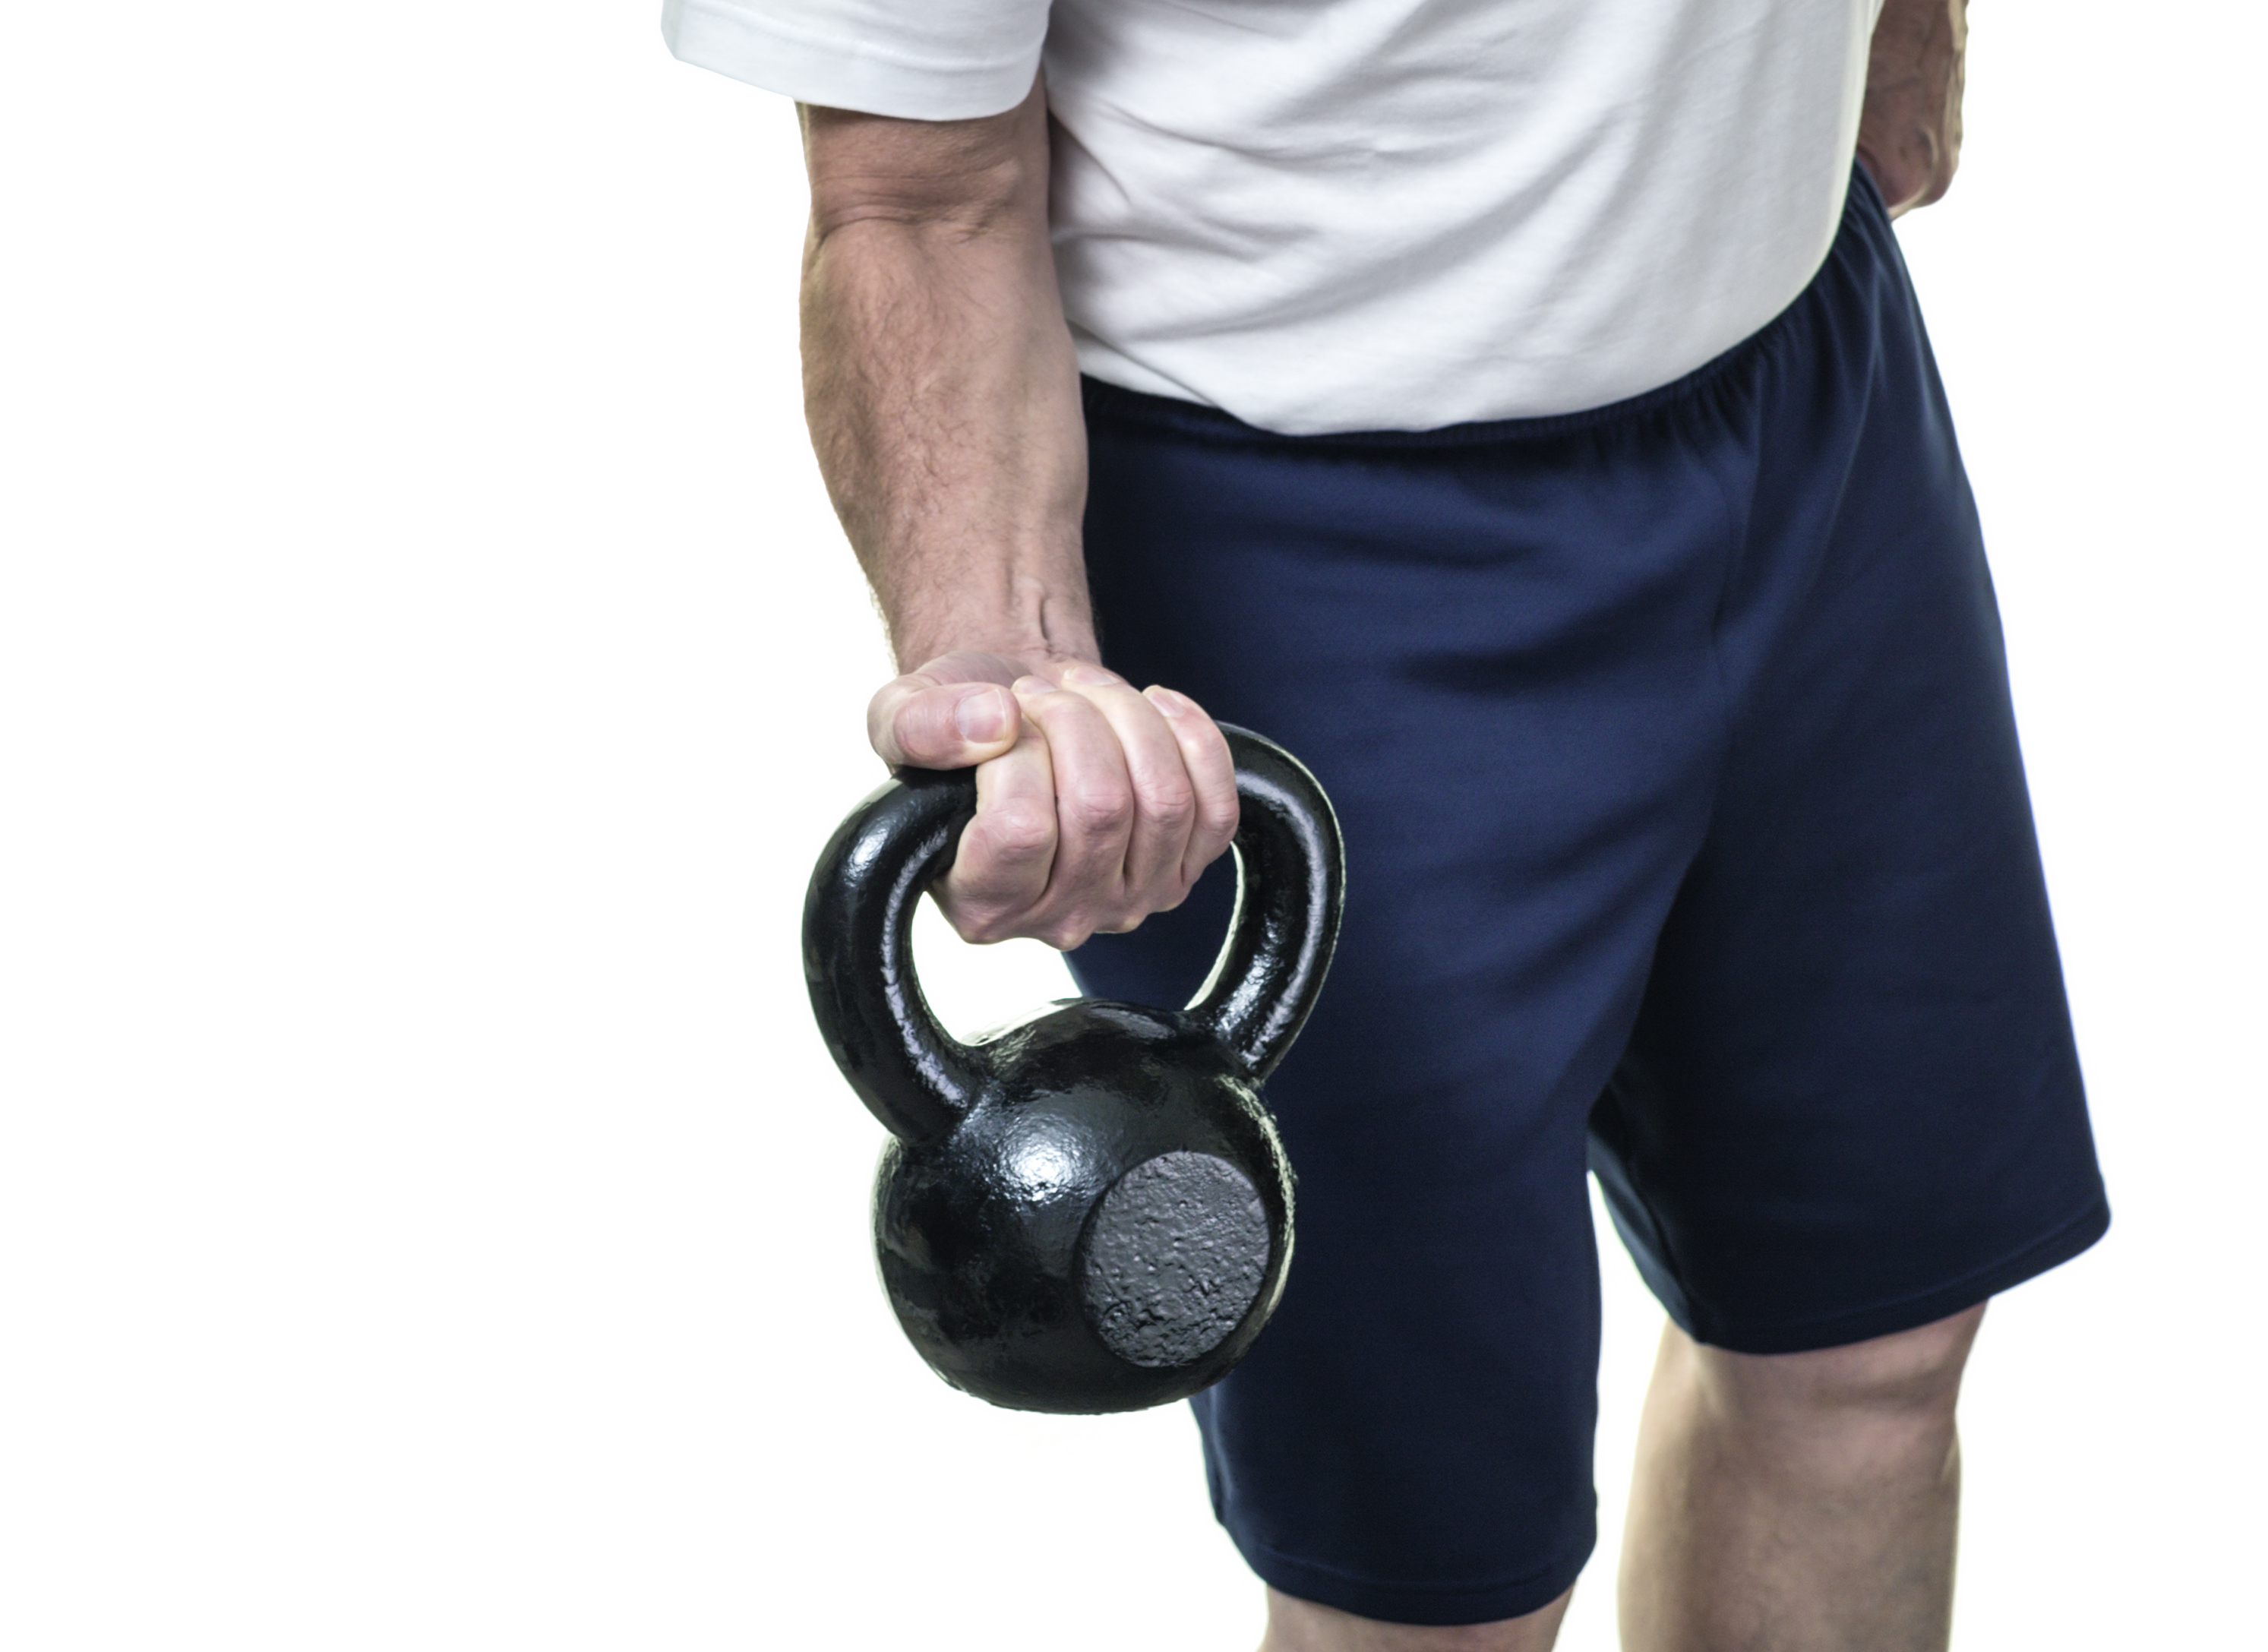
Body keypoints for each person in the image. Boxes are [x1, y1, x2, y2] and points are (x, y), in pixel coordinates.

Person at [665, 0, 2108, 1643]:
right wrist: (1019, 669)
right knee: (1432, 1568)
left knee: (1870, 1341)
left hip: (1806, 396)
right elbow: (916, 195)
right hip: (1297, 544)